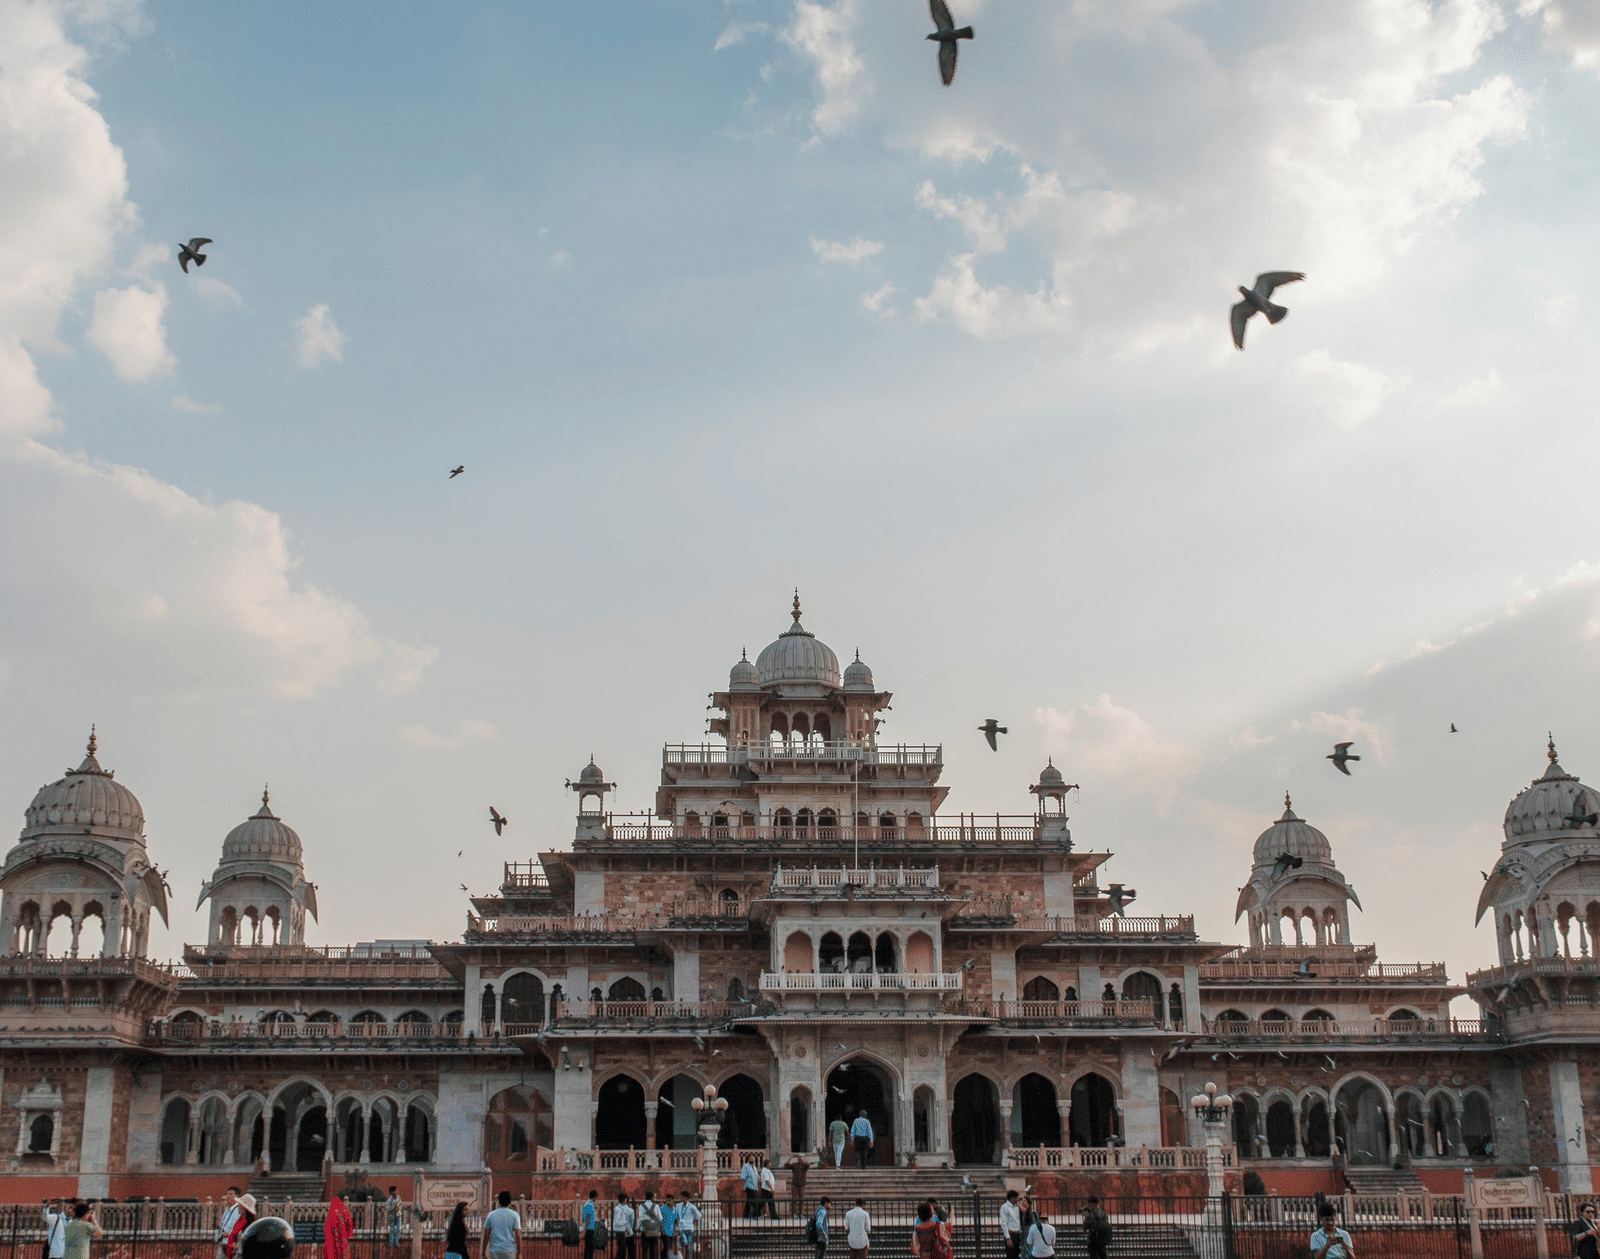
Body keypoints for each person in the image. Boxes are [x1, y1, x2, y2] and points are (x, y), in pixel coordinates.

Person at [483, 1189, 523, 1259]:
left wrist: (483, 1252)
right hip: (510, 1251)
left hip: (495, 1251)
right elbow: (518, 1236)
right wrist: (519, 1253)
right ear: (510, 1201)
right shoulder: (515, 1215)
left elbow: (486, 1235)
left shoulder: (491, 1215)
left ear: (499, 1201)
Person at [324, 1192, 355, 1259]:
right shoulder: (344, 1210)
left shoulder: (331, 1213)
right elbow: (349, 1222)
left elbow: (326, 1227)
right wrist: (349, 1234)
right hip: (342, 1237)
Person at [638, 1191, 664, 1259]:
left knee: (645, 1250)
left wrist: (639, 1227)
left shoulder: (641, 1206)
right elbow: (660, 1219)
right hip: (654, 1230)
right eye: (654, 1197)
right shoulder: (656, 1206)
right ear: (651, 1197)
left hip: (645, 1230)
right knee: (653, 1250)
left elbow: (640, 1218)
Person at [611, 1191, 636, 1259]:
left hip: (623, 1231)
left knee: (622, 1252)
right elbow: (617, 1222)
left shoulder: (620, 1208)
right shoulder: (618, 1209)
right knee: (626, 1252)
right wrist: (626, 1224)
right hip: (623, 1232)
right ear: (625, 1199)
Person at [675, 1193, 700, 1259]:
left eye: (682, 1197)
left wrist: (693, 1222)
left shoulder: (691, 1206)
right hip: (682, 1229)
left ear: (686, 1198)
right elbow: (675, 1215)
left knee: (689, 1249)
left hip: (689, 1229)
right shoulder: (678, 1206)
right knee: (679, 1246)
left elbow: (699, 1215)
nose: (681, 1199)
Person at [1000, 1190, 1023, 1259]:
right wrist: (1008, 1238)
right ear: (1012, 1198)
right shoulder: (1004, 1207)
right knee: (1010, 1255)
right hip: (1011, 1234)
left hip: (1017, 1234)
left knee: (1016, 1255)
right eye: (1016, 1197)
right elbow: (1004, 1223)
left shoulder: (1017, 1207)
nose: (1018, 1199)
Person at [583, 1190, 601, 1259]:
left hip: (589, 1228)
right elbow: (588, 1218)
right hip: (589, 1229)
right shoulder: (590, 1204)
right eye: (596, 1197)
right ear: (595, 1197)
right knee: (589, 1249)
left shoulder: (588, 1203)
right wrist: (584, 1231)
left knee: (589, 1248)